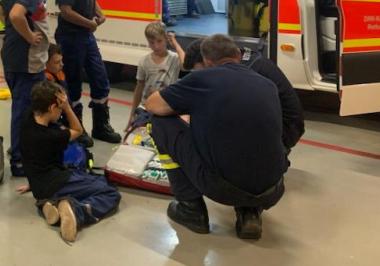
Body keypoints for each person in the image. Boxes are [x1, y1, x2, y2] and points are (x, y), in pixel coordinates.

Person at [145, 34, 287, 240]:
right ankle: (250, 212)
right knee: (246, 139)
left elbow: (152, 105)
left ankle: (190, 208)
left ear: (207, 62)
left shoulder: (202, 79)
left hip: (222, 188)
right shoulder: (267, 85)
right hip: (273, 189)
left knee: (159, 123)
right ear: (238, 54)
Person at [18, 81, 121, 242]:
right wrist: (67, 107)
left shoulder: (28, 117)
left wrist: (33, 183)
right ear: (52, 108)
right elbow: (78, 130)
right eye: (59, 109)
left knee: (92, 179)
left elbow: (32, 158)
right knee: (110, 191)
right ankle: (77, 211)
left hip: (39, 184)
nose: (61, 112)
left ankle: (48, 205)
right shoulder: (52, 137)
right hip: (57, 182)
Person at [181, 39, 305, 153]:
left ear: (208, 61)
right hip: (285, 123)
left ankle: (270, 158)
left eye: (202, 72)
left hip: (287, 128)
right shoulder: (234, 57)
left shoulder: (241, 72)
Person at [54, 0, 122, 144]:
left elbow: (91, 1)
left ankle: (101, 126)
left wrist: (100, 14)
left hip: (86, 37)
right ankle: (77, 127)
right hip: (71, 38)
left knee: (100, 79)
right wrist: (89, 24)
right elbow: (65, 11)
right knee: (73, 83)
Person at [0, 0, 49, 177]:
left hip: (11, 54)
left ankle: (20, 149)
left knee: (22, 107)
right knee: (23, 109)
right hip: (25, 59)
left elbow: (3, 12)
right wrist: (30, 36)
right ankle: (19, 161)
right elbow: (15, 15)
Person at [126, 22, 184, 131]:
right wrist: (132, 114)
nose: (156, 46)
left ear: (166, 39)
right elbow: (139, 88)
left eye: (159, 41)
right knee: (137, 132)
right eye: (151, 43)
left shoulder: (174, 59)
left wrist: (176, 44)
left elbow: (185, 65)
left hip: (167, 107)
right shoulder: (144, 61)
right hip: (146, 107)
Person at [45, 43, 94, 148]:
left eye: (61, 61)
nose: (62, 65)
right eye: (57, 62)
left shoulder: (59, 74)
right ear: (45, 63)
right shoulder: (45, 82)